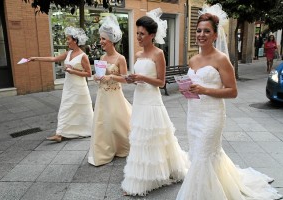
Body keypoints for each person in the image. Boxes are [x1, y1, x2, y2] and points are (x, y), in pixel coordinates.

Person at [176, 4, 282, 200]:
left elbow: (233, 91)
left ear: (215, 35)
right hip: (194, 114)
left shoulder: (221, 59)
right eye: (199, 30)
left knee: (203, 155)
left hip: (211, 116)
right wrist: (188, 90)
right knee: (200, 154)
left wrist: (204, 90)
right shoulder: (193, 59)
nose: (201, 34)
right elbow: (195, 84)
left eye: (206, 31)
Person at [121, 8, 189, 196]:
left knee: (153, 137)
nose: (138, 37)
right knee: (140, 138)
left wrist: (142, 76)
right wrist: (131, 79)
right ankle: (142, 176)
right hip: (140, 98)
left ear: (152, 35)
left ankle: (150, 178)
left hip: (152, 99)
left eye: (142, 34)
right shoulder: (137, 54)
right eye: (137, 33)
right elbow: (139, 77)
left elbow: (161, 82)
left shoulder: (158, 54)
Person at [29, 26, 94, 142]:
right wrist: (36, 58)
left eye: (68, 39)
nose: (67, 41)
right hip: (69, 86)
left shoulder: (83, 56)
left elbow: (89, 74)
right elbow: (53, 59)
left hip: (79, 87)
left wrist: (72, 70)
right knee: (65, 108)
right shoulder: (68, 53)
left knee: (80, 109)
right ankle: (60, 133)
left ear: (75, 41)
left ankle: (87, 129)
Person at [88, 15, 132, 166]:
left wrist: (111, 77)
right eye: (100, 39)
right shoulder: (102, 56)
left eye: (103, 39)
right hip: (102, 95)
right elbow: (101, 75)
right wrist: (96, 77)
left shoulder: (121, 58)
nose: (101, 42)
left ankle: (120, 146)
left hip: (115, 94)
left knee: (116, 120)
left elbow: (126, 79)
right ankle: (104, 149)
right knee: (103, 121)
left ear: (111, 41)